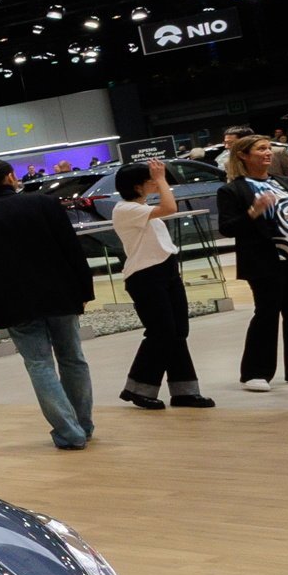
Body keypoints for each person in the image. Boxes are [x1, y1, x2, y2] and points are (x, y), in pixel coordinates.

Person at [0, 155, 99, 449]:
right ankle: (83, 423)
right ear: (10, 177)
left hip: (12, 302)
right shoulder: (44, 204)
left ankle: (70, 432)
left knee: (39, 364)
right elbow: (72, 249)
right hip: (60, 293)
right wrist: (84, 290)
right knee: (73, 358)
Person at [217, 135, 288, 390]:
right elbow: (226, 228)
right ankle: (255, 372)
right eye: (261, 149)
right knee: (266, 314)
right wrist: (252, 212)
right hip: (264, 262)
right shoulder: (233, 190)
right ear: (243, 156)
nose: (268, 153)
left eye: (269, 148)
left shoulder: (287, 182)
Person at [110, 158, 213, 410]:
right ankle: (137, 388)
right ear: (137, 186)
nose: (155, 185)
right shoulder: (125, 209)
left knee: (178, 332)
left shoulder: (142, 208)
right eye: (150, 181)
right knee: (161, 333)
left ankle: (184, 391)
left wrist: (158, 180)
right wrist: (162, 179)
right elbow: (170, 207)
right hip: (144, 277)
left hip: (166, 273)